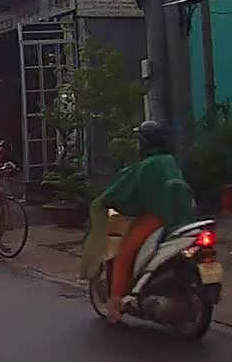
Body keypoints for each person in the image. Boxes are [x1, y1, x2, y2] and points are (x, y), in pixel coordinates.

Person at [81, 121, 194, 324]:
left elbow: (123, 188)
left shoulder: (146, 166)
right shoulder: (169, 160)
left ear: (144, 143)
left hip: (157, 218)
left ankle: (115, 305)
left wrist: (103, 202)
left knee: (123, 255)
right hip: (180, 220)